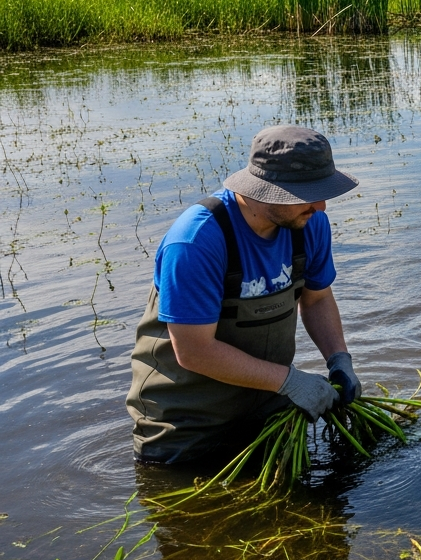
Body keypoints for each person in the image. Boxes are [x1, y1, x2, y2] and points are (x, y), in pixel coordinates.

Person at [126, 125, 362, 464]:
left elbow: (317, 299)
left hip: (268, 412)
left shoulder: (308, 223)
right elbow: (194, 351)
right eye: (309, 194)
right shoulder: (196, 240)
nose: (321, 206)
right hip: (187, 428)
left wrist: (339, 359)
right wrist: (291, 381)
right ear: (268, 190)